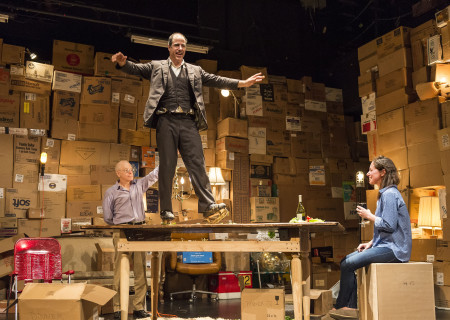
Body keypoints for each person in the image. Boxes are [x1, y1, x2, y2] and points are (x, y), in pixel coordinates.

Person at [112, 32, 265, 222]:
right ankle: (166, 210)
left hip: (188, 121)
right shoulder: (157, 66)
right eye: (176, 45)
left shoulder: (195, 70)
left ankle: (208, 205)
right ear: (169, 48)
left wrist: (242, 83)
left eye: (183, 45)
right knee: (168, 166)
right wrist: (121, 63)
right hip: (165, 120)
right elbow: (135, 68)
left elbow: (217, 80)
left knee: (197, 162)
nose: (180, 49)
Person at [329, 156, 412, 320]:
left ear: (382, 172)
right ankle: (350, 306)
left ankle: (344, 306)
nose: (367, 174)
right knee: (346, 261)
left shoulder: (389, 194)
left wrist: (369, 216)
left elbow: (389, 225)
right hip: (386, 245)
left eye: (371, 170)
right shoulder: (384, 193)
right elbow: (387, 230)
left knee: (349, 263)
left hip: (395, 249)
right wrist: (371, 243)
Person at [103, 160, 159, 320]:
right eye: (126, 170)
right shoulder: (111, 192)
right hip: (122, 230)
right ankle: (118, 307)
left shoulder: (139, 185)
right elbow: (108, 217)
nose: (130, 172)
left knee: (141, 269)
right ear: (118, 173)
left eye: (131, 169)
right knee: (121, 270)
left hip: (139, 229)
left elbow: (154, 175)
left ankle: (139, 307)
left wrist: (168, 158)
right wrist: (121, 224)